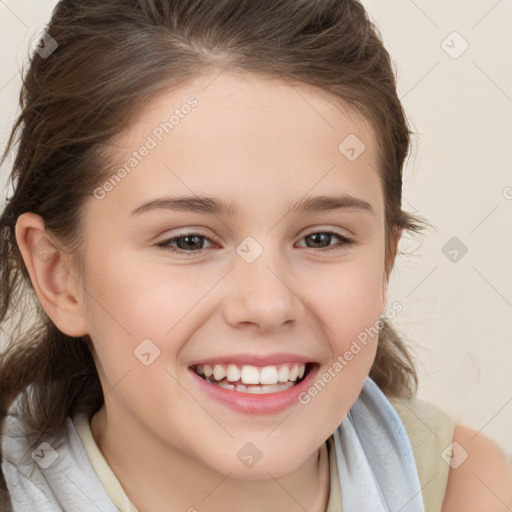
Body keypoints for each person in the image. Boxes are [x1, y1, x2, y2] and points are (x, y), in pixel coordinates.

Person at [0, 1, 511, 510]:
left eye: (321, 239)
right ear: (58, 274)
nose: (267, 305)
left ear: (385, 263)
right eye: (189, 241)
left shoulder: (468, 489)